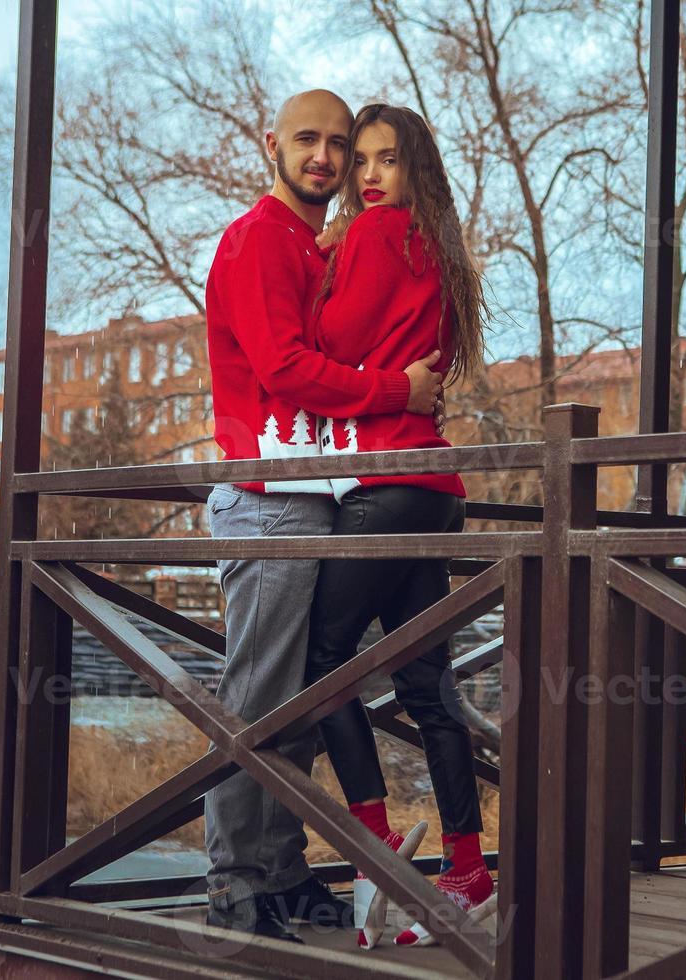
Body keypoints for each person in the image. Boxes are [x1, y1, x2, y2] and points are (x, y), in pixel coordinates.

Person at [201, 89, 445, 943]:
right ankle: (236, 887)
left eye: (340, 144)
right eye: (308, 140)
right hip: (267, 501)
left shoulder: (314, 243)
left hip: (319, 500)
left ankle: (283, 871)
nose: (327, 158)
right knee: (259, 700)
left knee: (300, 699)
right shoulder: (261, 239)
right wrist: (397, 392)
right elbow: (286, 369)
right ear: (271, 143)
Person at [301, 103, 492, 949]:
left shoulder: (378, 235)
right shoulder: (442, 251)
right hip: (434, 486)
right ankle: (468, 871)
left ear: (416, 172)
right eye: (362, 161)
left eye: (388, 160)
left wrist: (325, 260)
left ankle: (373, 841)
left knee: (321, 660)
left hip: (385, 481)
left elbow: (328, 342)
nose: (369, 175)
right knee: (425, 688)